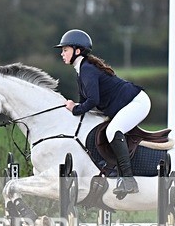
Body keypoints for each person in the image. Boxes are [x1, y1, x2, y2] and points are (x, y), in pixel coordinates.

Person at [55, 29, 150, 197]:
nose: (62, 54)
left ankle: (128, 180)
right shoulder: (81, 69)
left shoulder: (87, 69)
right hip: (127, 104)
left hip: (137, 102)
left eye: (65, 50)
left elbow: (92, 101)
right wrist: (76, 106)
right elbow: (87, 102)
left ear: (77, 51)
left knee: (112, 130)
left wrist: (75, 108)